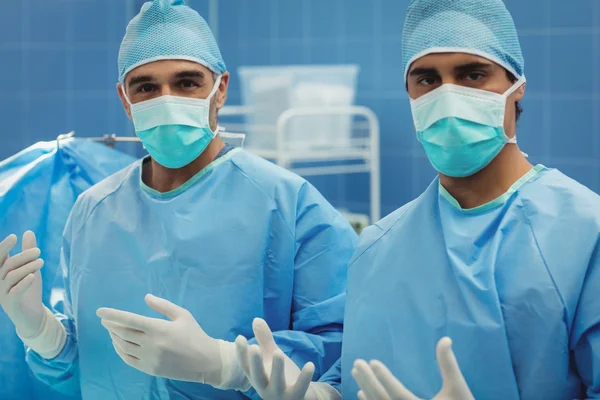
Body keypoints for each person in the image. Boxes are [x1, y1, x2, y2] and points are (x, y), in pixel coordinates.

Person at [235, 0, 600, 399]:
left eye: (473, 74)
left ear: (517, 86)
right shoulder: (379, 246)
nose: (448, 96)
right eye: (427, 80)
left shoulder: (583, 235)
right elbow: (359, 373)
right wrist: (323, 395)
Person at [0, 0, 357, 398]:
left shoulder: (289, 205)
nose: (166, 99)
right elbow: (90, 369)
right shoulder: (93, 211)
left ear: (220, 89)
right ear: (125, 99)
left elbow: (341, 350)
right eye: (146, 87)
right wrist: (43, 334)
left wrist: (228, 365)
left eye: (187, 82)